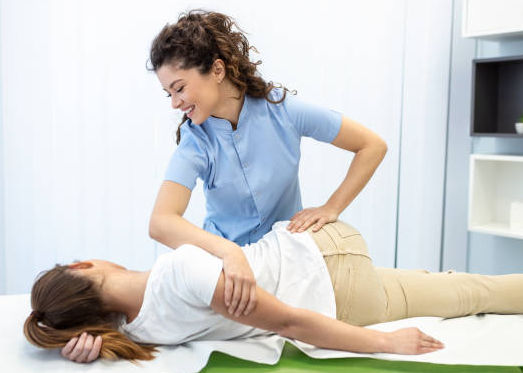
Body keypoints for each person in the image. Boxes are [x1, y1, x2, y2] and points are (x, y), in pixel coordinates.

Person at [141, 8, 388, 322]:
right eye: (168, 94)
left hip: (289, 265)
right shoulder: (196, 141)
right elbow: (161, 222)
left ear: (217, 70)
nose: (175, 102)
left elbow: (371, 146)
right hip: (227, 276)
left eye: (179, 88)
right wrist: (229, 252)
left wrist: (331, 208)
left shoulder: (281, 110)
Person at [24, 220, 523, 363]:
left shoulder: (135, 329)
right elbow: (286, 321)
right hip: (329, 269)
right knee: (471, 292)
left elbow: (108, 332)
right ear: (81, 264)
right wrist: (386, 343)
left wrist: (89, 347)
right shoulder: (181, 271)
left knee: (454, 288)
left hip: (328, 268)